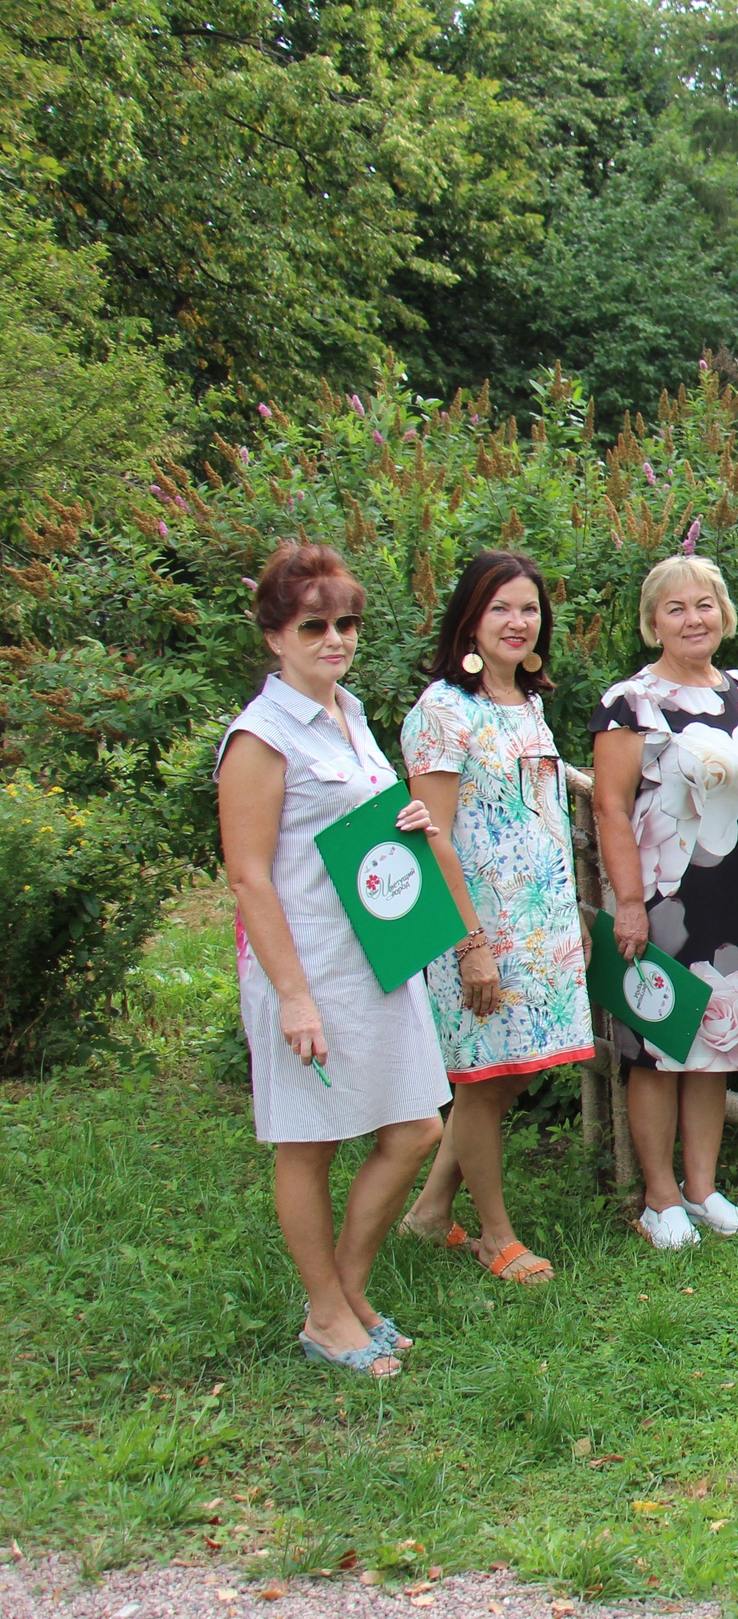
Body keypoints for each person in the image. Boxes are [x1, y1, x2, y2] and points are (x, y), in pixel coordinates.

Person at [217, 542, 449, 1378]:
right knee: (308, 1143)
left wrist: (408, 822)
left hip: (380, 952)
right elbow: (248, 875)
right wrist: (293, 996)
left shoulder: (349, 712)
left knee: (419, 1121)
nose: (335, 638)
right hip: (308, 964)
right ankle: (326, 1314)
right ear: (276, 636)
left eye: (346, 623)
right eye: (314, 625)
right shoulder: (260, 736)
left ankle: (345, 1289)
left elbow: (347, 830)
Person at [590, 554, 738, 1249]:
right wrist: (628, 902)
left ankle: (703, 1189)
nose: (692, 618)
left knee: (716, 1042)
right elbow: (609, 807)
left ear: (723, 614)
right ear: (652, 622)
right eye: (676, 608)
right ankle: (658, 1199)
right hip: (667, 893)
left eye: (704, 605)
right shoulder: (630, 701)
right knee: (659, 1043)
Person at [396, 551, 594, 1285]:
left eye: (530, 608)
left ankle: (428, 1211)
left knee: (507, 1075)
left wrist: (563, 921)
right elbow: (432, 832)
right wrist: (470, 943)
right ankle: (494, 1234)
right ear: (470, 619)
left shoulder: (527, 701)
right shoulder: (442, 711)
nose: (519, 621)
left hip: (539, 923)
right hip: (477, 928)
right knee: (481, 1080)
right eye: (502, 608)